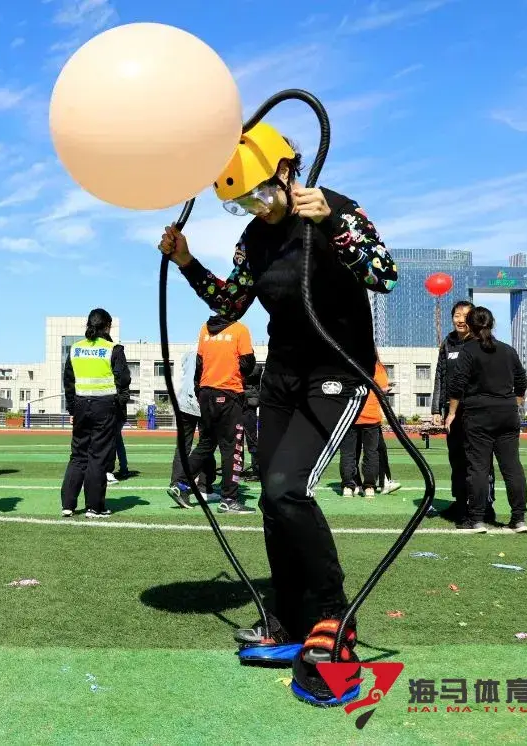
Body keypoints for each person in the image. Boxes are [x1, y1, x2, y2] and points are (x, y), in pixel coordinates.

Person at [158, 121, 399, 685]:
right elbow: (230, 302)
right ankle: (289, 617)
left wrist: (332, 223)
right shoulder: (255, 238)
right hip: (282, 379)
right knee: (271, 498)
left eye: (259, 195)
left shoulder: (339, 210)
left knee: (288, 488)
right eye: (241, 203)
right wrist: (187, 260)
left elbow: (384, 275)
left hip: (336, 372)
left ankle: (333, 617)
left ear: (286, 171)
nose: (255, 208)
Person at [445, 306, 527, 533]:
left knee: (478, 468)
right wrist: (513, 403)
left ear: (471, 326)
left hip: (478, 415)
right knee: (512, 467)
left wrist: (452, 413)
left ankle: (477, 519)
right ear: (491, 324)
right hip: (507, 414)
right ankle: (519, 519)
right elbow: (521, 381)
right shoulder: (508, 350)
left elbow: (457, 384)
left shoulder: (468, 350)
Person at [170, 315, 256, 513]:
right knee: (232, 448)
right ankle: (229, 499)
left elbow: (199, 364)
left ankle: (180, 483)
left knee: (206, 444)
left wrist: (201, 390)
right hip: (229, 393)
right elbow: (247, 364)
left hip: (206, 393)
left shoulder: (205, 329)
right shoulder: (239, 329)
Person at [60, 308, 132, 517]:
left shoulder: (76, 348)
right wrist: (120, 407)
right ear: (107, 326)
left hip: (81, 405)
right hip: (105, 406)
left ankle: (68, 505)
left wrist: (72, 408)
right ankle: (94, 506)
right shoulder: (113, 349)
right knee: (98, 456)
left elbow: (68, 382)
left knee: (78, 455)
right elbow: (123, 381)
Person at [432, 299, 495, 522]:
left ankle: (485, 505)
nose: (460, 320)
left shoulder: (480, 343)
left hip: (476, 410)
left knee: (479, 461)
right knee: (456, 458)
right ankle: (460, 503)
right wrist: (436, 408)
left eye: (466, 316)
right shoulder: (447, 343)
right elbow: (440, 375)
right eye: (457, 315)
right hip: (452, 413)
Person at [167, 346, 216, 505]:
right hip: (200, 402)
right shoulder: (211, 351)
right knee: (206, 445)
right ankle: (203, 486)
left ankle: (176, 483)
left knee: (183, 446)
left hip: (183, 401)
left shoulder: (189, 352)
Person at [339, 359, 388, 497]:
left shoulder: (346, 364)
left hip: (349, 416)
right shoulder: (377, 367)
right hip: (371, 416)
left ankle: (348, 486)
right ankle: (369, 487)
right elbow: (384, 389)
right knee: (371, 453)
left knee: (348, 453)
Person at [241, 361, 263, 480]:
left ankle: (257, 471)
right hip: (238, 406)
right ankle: (237, 469)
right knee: (236, 441)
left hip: (248, 408)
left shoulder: (255, 368)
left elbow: (253, 372)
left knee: (251, 440)